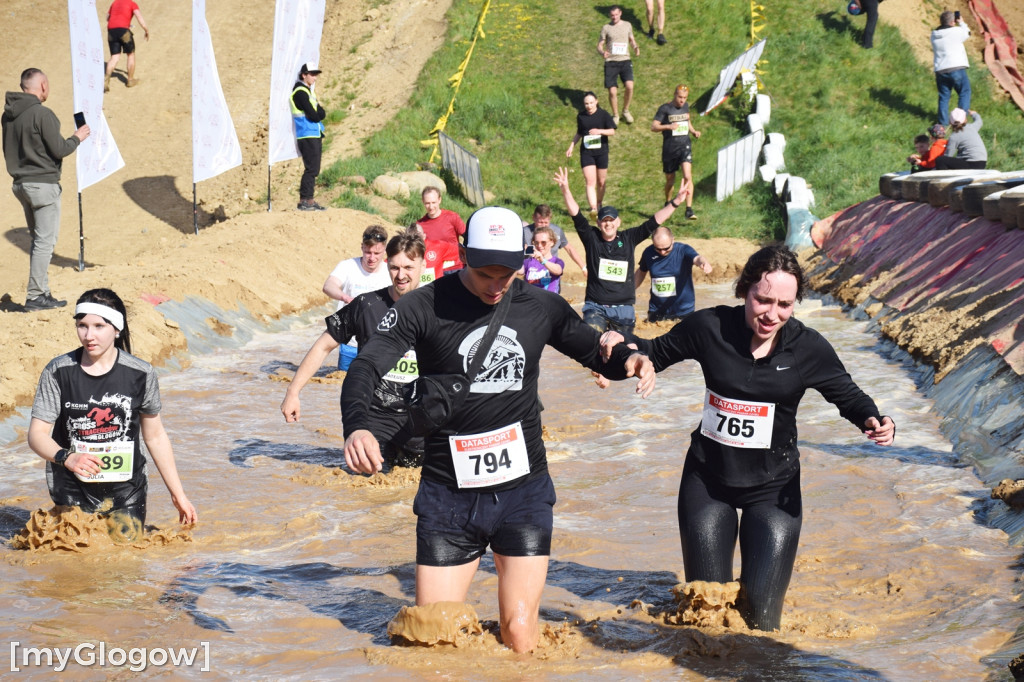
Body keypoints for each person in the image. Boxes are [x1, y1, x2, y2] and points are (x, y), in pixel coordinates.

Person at [340, 205, 655, 653]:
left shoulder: (539, 306)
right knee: (432, 637)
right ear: (464, 254)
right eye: (484, 273)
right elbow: (367, 366)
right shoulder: (423, 305)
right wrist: (357, 427)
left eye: (505, 274)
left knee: (520, 632)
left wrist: (631, 358)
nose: (495, 285)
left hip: (522, 491)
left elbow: (593, 350)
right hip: (448, 494)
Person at [600, 245, 895, 631]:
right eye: (763, 299)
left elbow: (848, 395)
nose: (772, 314)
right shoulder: (710, 328)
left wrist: (875, 419)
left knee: (761, 624)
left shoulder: (808, 348)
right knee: (705, 614)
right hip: (708, 483)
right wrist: (617, 348)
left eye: (785, 304)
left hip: (773, 490)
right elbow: (653, 351)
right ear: (744, 291)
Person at [27, 288, 198, 538]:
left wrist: (178, 494)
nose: (88, 335)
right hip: (72, 486)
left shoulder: (141, 373)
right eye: (82, 325)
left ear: (116, 329)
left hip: (126, 489)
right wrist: (68, 458)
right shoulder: (58, 371)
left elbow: (155, 436)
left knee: (124, 563)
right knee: (77, 564)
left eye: (99, 326)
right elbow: (37, 434)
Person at [283, 230, 426, 468]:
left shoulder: (436, 308)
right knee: (367, 493)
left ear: (423, 264)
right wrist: (293, 392)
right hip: (374, 418)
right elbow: (323, 346)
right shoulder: (367, 305)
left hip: (420, 420)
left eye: (409, 268)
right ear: (387, 265)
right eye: (394, 268)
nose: (401, 276)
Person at [554, 166, 690, 337]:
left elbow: (654, 221)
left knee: (624, 352)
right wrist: (565, 189)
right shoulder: (592, 238)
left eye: (611, 220)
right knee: (591, 340)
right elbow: (576, 215)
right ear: (598, 223)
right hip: (596, 307)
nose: (608, 224)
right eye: (604, 221)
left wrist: (676, 201)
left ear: (618, 222)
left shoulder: (629, 238)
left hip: (624, 309)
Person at [3, 68, 90, 312]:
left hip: (20, 184)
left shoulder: (7, 116)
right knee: (45, 242)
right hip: (42, 185)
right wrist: (77, 137)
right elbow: (60, 149)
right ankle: (36, 296)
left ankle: (41, 291)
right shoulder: (42, 114)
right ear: (42, 86)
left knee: (38, 240)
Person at [323, 225, 392, 369]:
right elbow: (328, 286)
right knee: (342, 383)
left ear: (385, 250)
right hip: (350, 345)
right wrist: (345, 297)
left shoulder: (391, 271)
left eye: (377, 253)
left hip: (379, 345)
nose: (372, 258)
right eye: (368, 252)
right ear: (362, 247)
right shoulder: (348, 266)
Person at [635, 226, 712, 323]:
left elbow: (697, 258)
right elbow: (641, 272)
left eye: (666, 248)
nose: (662, 252)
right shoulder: (648, 252)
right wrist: (627, 291)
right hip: (656, 310)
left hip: (683, 311)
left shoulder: (683, 250)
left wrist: (703, 263)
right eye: (658, 249)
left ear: (673, 240)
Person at [651, 84, 702, 220]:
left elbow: (687, 120)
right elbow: (654, 126)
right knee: (670, 180)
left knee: (687, 176)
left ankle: (689, 210)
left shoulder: (686, 107)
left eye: (685, 98)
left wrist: (693, 131)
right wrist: (668, 126)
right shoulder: (665, 108)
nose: (682, 100)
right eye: (680, 97)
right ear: (674, 94)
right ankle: (668, 202)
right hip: (670, 148)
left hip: (685, 146)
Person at [565, 92, 616, 218]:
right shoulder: (581, 116)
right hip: (587, 152)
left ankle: (599, 203)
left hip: (602, 152)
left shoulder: (603, 115)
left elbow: (612, 131)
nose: (589, 106)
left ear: (596, 102)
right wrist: (572, 145)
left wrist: (599, 131)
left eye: (591, 103)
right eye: (586, 103)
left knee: (601, 182)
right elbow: (579, 133)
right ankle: (593, 208)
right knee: (590, 181)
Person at [291, 62, 327, 211]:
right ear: (303, 75)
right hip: (307, 134)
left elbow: (322, 114)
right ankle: (305, 200)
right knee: (311, 169)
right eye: (312, 74)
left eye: (315, 74)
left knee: (314, 168)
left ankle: (309, 200)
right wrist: (317, 114)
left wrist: (317, 114)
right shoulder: (300, 92)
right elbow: (315, 115)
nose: (315, 78)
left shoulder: (309, 92)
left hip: (313, 133)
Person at [597, 6, 640, 125]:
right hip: (611, 62)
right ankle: (615, 115)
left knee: (630, 86)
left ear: (620, 13)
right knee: (612, 91)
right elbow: (599, 45)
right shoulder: (606, 28)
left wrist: (635, 47)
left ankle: (625, 111)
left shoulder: (627, 25)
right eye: (612, 15)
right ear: (609, 15)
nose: (614, 17)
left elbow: (631, 39)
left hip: (625, 60)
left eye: (616, 14)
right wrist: (602, 52)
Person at [931, 10, 971, 127]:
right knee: (964, 92)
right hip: (956, 68)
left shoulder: (934, 35)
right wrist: (962, 23)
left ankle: (942, 124)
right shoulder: (956, 31)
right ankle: (959, 121)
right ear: (953, 22)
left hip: (941, 70)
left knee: (944, 96)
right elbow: (967, 33)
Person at [522, 205, 586, 274]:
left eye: (546, 222)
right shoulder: (525, 233)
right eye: (540, 222)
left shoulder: (557, 231)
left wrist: (583, 268)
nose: (543, 225)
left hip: (552, 271)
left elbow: (569, 249)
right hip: (532, 272)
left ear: (550, 219)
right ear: (533, 218)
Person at [103, 0, 150, 91]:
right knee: (130, 54)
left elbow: (107, 18)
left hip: (111, 31)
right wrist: (146, 30)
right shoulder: (132, 4)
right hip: (124, 31)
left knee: (114, 57)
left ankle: (106, 80)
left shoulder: (115, 3)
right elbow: (139, 16)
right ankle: (130, 80)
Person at [417, 187, 466, 268]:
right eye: (427, 203)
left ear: (439, 200)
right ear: (423, 201)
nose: (431, 207)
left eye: (434, 202)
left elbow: (467, 237)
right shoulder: (420, 226)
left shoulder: (452, 217)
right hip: (434, 268)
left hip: (455, 267)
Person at [521, 226, 564, 294]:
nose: (539, 246)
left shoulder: (557, 261)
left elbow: (558, 271)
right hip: (531, 301)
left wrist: (542, 260)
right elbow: (518, 271)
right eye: (536, 243)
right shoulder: (528, 262)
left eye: (543, 242)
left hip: (549, 301)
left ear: (552, 242)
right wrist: (518, 253)